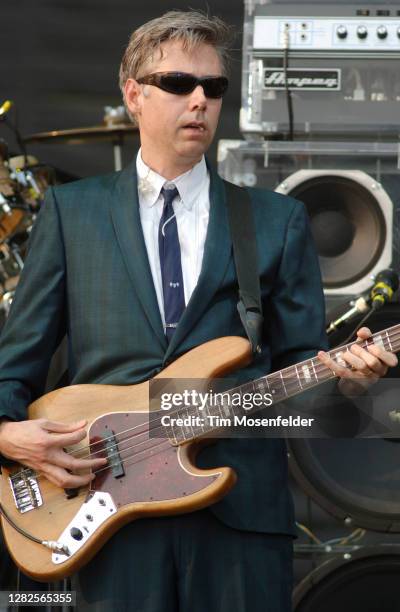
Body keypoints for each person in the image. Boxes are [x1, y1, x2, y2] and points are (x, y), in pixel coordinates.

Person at [0, 10, 397, 612]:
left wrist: (346, 381)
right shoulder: (69, 213)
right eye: (178, 84)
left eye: (214, 88)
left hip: (239, 517)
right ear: (133, 94)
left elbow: (302, 377)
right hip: (105, 512)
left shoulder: (273, 220)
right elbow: (15, 364)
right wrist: (8, 436)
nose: (200, 101)